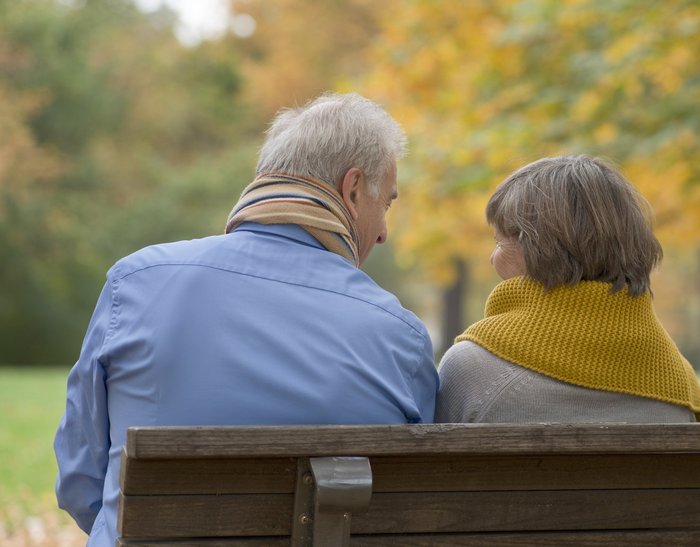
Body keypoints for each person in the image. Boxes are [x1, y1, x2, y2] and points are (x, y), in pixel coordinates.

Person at [54, 92, 438, 545]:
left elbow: (81, 480)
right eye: (387, 205)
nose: (384, 233)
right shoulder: (400, 337)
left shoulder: (136, 283)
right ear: (352, 190)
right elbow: (413, 509)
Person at [435, 155, 700, 423]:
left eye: (499, 242)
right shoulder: (679, 386)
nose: (492, 259)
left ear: (538, 250)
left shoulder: (471, 369)